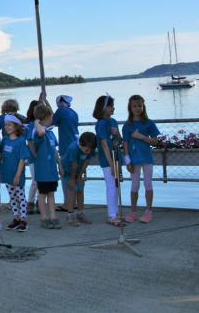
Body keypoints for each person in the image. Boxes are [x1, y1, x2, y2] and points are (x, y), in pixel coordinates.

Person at [122, 95, 161, 224]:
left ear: (143, 107)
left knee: (148, 184)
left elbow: (155, 142)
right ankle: (133, 212)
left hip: (146, 159)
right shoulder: (127, 125)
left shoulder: (149, 123)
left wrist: (142, 137)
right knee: (134, 185)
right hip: (134, 160)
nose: (137, 108)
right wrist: (127, 161)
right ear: (130, 108)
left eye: (140, 105)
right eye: (134, 106)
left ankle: (148, 212)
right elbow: (125, 144)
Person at [30, 102, 63, 229]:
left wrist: (59, 165)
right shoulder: (39, 133)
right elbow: (40, 133)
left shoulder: (50, 133)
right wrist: (37, 122)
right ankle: (44, 217)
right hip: (42, 171)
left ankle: (53, 216)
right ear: (46, 118)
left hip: (51, 170)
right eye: (50, 117)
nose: (52, 119)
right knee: (42, 194)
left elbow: (55, 151)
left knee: (51, 193)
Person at [93, 95, 122, 226]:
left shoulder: (113, 121)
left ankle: (115, 212)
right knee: (111, 186)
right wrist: (111, 164)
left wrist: (117, 133)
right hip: (107, 160)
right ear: (104, 108)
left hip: (116, 157)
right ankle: (111, 214)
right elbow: (104, 144)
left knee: (116, 186)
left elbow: (119, 140)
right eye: (111, 106)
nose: (113, 108)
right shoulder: (101, 124)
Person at [0, 115, 30, 232]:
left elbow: (22, 159)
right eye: (5, 125)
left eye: (9, 125)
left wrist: (18, 175)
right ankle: (16, 218)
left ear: (16, 126)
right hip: (7, 173)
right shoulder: (5, 140)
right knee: (12, 197)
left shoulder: (21, 141)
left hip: (17, 174)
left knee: (21, 197)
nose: (6, 127)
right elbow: (0, 152)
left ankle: (23, 220)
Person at [61, 131, 97, 226]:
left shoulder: (90, 148)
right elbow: (73, 165)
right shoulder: (73, 149)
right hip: (68, 171)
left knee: (80, 190)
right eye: (86, 150)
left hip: (78, 170)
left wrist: (80, 175)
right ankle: (70, 215)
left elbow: (86, 162)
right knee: (73, 191)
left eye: (90, 150)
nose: (88, 151)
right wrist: (73, 179)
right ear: (81, 144)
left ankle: (80, 213)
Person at [53, 95, 80, 213]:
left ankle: (67, 203)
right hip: (76, 144)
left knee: (65, 176)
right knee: (75, 175)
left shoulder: (60, 111)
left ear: (60, 103)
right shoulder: (73, 112)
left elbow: (51, 122)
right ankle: (75, 202)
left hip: (65, 147)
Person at [24, 100, 40, 215]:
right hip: (33, 157)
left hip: (41, 157)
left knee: (42, 180)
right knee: (35, 181)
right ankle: (30, 202)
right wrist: (35, 154)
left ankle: (40, 202)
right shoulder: (30, 125)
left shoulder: (41, 124)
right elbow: (29, 141)